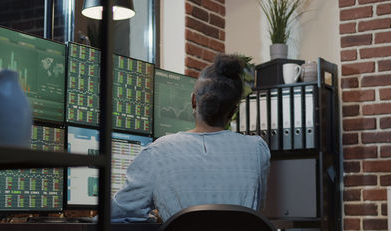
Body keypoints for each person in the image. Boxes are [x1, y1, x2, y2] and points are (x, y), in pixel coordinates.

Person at [111, 54, 271, 222]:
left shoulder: (158, 152)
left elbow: (117, 212)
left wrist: (157, 216)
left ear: (194, 101)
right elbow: (255, 209)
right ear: (233, 112)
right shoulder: (257, 150)